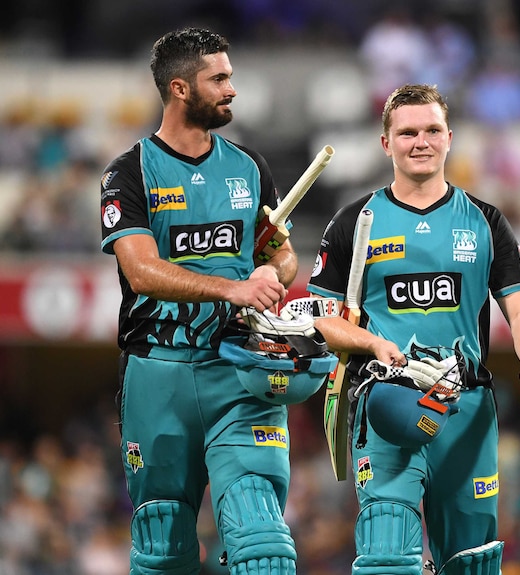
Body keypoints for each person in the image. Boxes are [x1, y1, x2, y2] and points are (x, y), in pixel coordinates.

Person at [307, 83, 520, 575]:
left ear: (449, 138)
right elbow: (323, 320)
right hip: (387, 404)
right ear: (386, 143)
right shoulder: (355, 221)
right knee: (386, 558)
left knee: (472, 563)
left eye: (432, 130)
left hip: (466, 410)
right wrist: (374, 343)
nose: (420, 141)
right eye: (407, 132)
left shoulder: (486, 220)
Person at [99, 27, 305, 574]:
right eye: (219, 78)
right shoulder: (129, 172)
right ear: (180, 88)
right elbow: (140, 270)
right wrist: (232, 286)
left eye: (230, 75)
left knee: (263, 546)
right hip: (157, 376)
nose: (232, 87)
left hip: (238, 370)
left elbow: (284, 256)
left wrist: (270, 270)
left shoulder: (248, 166)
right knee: (162, 550)